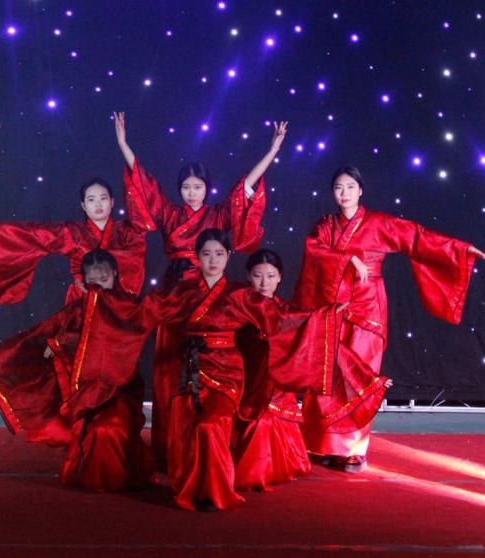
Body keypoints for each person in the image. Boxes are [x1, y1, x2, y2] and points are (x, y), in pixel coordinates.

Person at [74, 229, 351, 510]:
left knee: (209, 425)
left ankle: (214, 491)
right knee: (187, 428)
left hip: (226, 372)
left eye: (219, 253)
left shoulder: (240, 295)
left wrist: (325, 316)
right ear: (197, 256)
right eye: (206, 254)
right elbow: (142, 310)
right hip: (189, 372)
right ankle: (189, 488)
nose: (213, 260)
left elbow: (279, 318)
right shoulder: (182, 292)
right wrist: (101, 298)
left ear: (228, 256)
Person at [113, 111, 287, 460]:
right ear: (179, 190)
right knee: (170, 369)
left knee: (210, 365)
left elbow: (245, 189)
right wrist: (123, 144)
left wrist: (271, 152)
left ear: (207, 188)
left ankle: (211, 440)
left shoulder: (218, 215)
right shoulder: (170, 215)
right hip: (176, 295)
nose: (192, 193)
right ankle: (170, 446)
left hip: (210, 296)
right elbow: (145, 185)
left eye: (198, 187)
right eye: (186, 187)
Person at [294, 166, 485, 472]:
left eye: (350, 187)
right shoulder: (325, 226)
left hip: (367, 308)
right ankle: (327, 446)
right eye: (338, 187)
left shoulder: (379, 223)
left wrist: (459, 250)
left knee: (360, 378)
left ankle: (354, 451)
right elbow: (313, 252)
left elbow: (417, 237)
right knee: (329, 376)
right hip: (332, 307)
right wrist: (348, 258)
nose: (344, 193)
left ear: (361, 190)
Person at [0, 249, 153, 491]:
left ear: (116, 274)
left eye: (104, 279)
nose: (99, 286)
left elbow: (107, 340)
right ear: (83, 281)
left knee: (109, 429)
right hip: (86, 395)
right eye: (93, 281)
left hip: (119, 391)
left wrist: (63, 342)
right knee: (95, 430)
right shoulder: (76, 310)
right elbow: (35, 335)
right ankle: (100, 481)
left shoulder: (129, 307)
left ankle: (115, 479)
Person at [0, 178, 146, 305]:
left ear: (112, 202)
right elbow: (35, 234)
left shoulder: (126, 231)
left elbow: (142, 217)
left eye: (103, 198)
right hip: (82, 301)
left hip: (120, 303)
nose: (98, 204)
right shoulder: (72, 232)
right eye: (91, 200)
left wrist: (125, 149)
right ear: (83, 205)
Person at [232, 249, 311, 491]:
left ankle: (260, 469)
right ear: (248, 276)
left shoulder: (286, 310)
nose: (264, 283)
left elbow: (310, 336)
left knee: (266, 418)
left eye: (270, 276)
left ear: (280, 278)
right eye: (258, 276)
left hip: (275, 382)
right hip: (242, 377)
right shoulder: (237, 305)